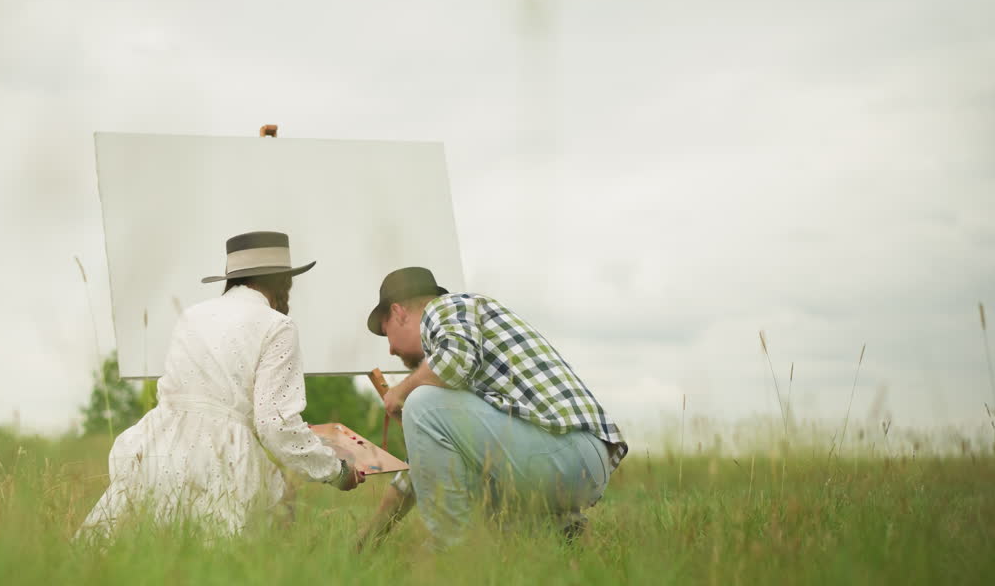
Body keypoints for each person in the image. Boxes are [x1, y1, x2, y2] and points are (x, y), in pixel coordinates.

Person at [79, 231, 364, 539]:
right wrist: (337, 471)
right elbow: (274, 425)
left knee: (140, 560)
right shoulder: (278, 325)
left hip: (157, 451)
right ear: (282, 283)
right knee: (217, 569)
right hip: (223, 461)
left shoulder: (191, 315)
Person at [356, 267, 626, 550]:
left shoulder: (446, 308)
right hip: (574, 460)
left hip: (567, 449)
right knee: (459, 466)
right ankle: (556, 529)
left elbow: (453, 364)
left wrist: (401, 392)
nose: (390, 350)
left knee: (421, 402)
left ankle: (451, 553)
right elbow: (423, 468)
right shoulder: (458, 362)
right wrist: (367, 538)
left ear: (399, 313)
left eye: (387, 334)